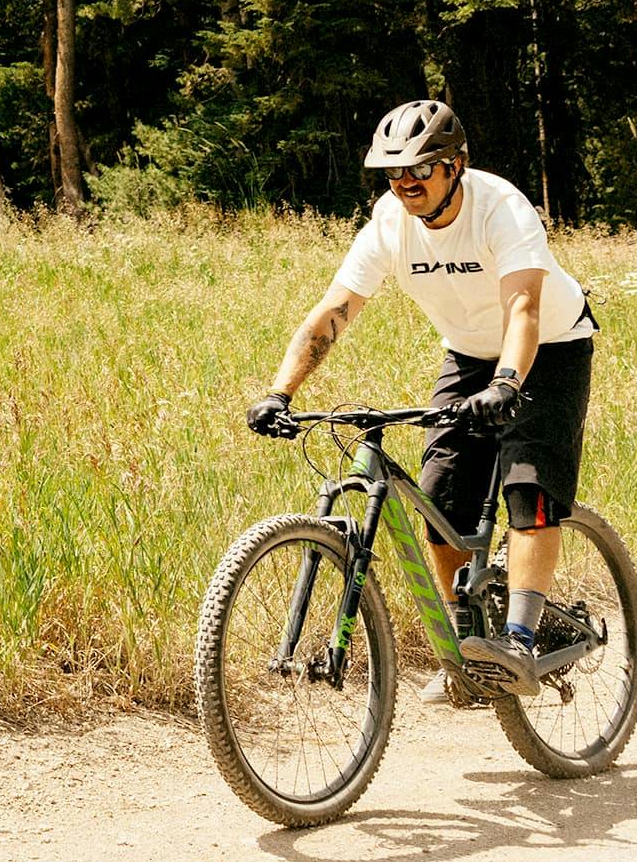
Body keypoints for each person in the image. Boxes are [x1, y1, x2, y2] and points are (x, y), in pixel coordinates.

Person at [247, 99, 599, 704]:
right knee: (440, 497)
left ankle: (517, 639)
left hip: (549, 346)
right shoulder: (390, 222)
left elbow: (524, 310)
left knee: (527, 486)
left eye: (420, 169)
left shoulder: (501, 208)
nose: (405, 183)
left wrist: (509, 384)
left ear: (456, 165)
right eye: (394, 173)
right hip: (467, 355)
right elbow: (335, 310)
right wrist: (280, 390)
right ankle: (468, 650)